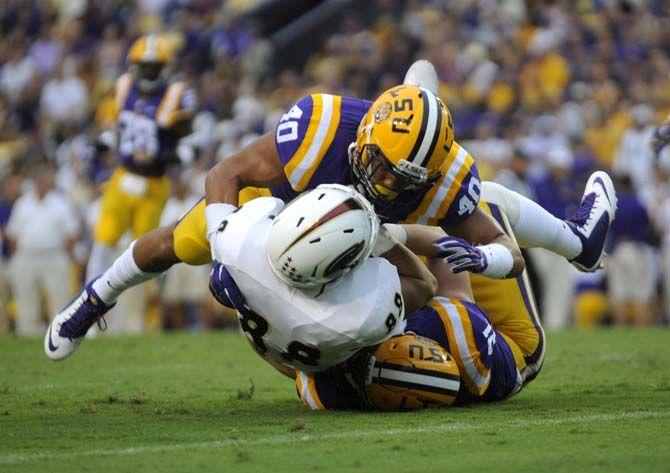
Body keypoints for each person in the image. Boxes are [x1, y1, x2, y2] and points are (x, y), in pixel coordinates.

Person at [45, 61, 616, 361]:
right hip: (280, 207)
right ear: (364, 133)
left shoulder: (444, 179)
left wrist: (483, 258)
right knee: (177, 241)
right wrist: (223, 246)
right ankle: (95, 297)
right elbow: (225, 173)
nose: (386, 180)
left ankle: (352, 354)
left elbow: (510, 255)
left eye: (402, 177)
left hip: (364, 230)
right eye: (382, 165)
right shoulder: (322, 126)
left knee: (416, 284)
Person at [207, 184, 436, 373]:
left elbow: (218, 178)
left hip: (275, 349)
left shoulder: (235, 239)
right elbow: (426, 284)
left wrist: (218, 256)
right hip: (327, 367)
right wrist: (382, 237)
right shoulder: (358, 317)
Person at [85, 34, 197, 283]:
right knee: (103, 240)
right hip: (123, 176)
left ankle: (149, 312)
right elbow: (113, 131)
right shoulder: (123, 86)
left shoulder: (178, 94)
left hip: (155, 184)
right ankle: (88, 307)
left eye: (154, 67)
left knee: (146, 254)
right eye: (145, 67)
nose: (148, 73)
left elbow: (192, 144)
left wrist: (170, 155)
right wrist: (98, 148)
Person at [7, 165, 79, 336]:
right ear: (34, 183)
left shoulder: (60, 203)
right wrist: (18, 256)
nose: (42, 184)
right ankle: (27, 334)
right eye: (39, 181)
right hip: (27, 255)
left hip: (54, 254)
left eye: (45, 181)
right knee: (26, 299)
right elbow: (13, 234)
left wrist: (66, 256)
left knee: (60, 298)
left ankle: (61, 335)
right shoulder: (23, 203)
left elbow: (72, 233)